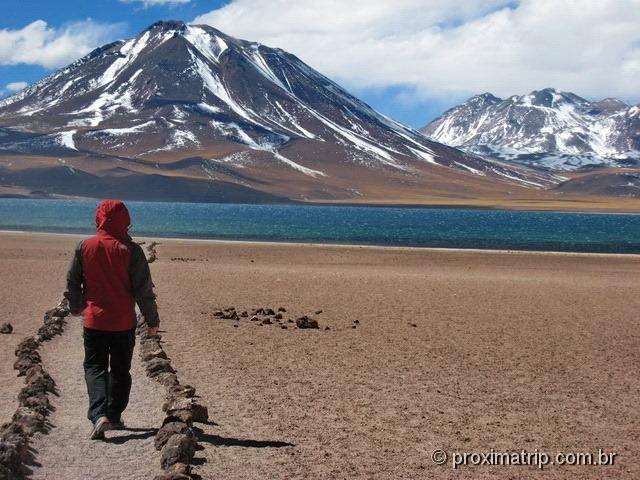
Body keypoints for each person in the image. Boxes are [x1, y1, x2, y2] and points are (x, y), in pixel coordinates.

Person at [64, 199, 160, 440]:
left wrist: (76, 307)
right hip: (123, 322)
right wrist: (152, 321)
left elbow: (72, 281)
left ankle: (99, 415)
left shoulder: (84, 246)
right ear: (125, 221)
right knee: (120, 370)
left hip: (94, 320)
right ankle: (114, 415)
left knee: (94, 368)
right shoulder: (132, 251)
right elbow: (143, 291)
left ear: (98, 219)